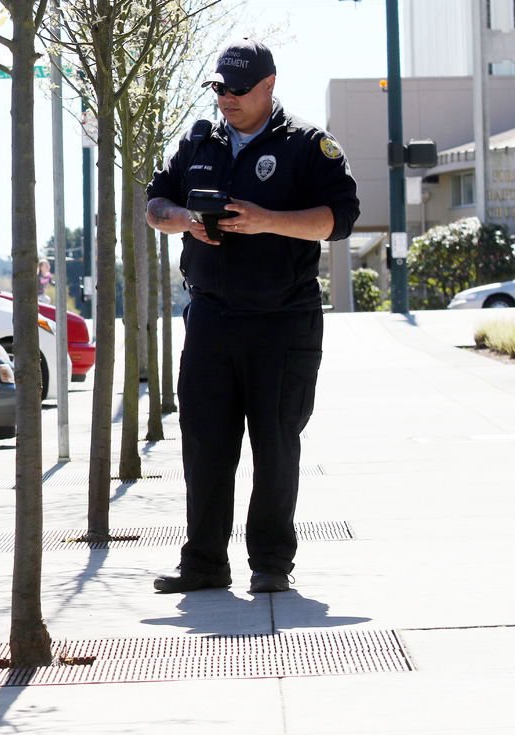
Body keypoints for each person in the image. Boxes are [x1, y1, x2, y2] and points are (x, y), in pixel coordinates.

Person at [144, 39, 359, 594]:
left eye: (237, 89)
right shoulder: (199, 141)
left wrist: (267, 220)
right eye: (218, 88)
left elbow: (338, 219)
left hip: (283, 320)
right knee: (205, 444)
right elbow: (155, 205)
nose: (226, 99)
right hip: (212, 317)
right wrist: (182, 220)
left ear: (268, 86)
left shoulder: (309, 145)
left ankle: (270, 565)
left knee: (275, 443)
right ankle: (205, 564)